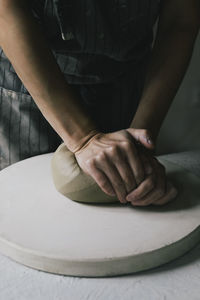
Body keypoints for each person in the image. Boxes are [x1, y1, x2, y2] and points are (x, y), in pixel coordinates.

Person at [0, 0, 199, 206]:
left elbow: (180, 21)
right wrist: (84, 139)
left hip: (123, 84)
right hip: (30, 83)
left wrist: (140, 141)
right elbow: (6, 8)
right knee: (25, 207)